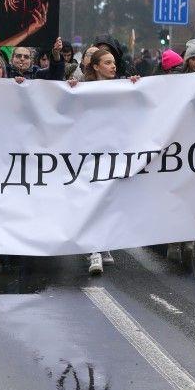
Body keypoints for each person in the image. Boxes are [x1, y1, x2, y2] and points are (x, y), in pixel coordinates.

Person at [70, 48, 141, 275]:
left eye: (114, 63)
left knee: (109, 198)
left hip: (114, 152)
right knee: (93, 198)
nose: (113, 67)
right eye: (108, 63)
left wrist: (136, 86)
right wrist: (69, 90)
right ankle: (94, 251)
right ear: (96, 66)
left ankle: (104, 243)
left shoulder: (121, 87)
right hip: (89, 153)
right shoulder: (84, 89)